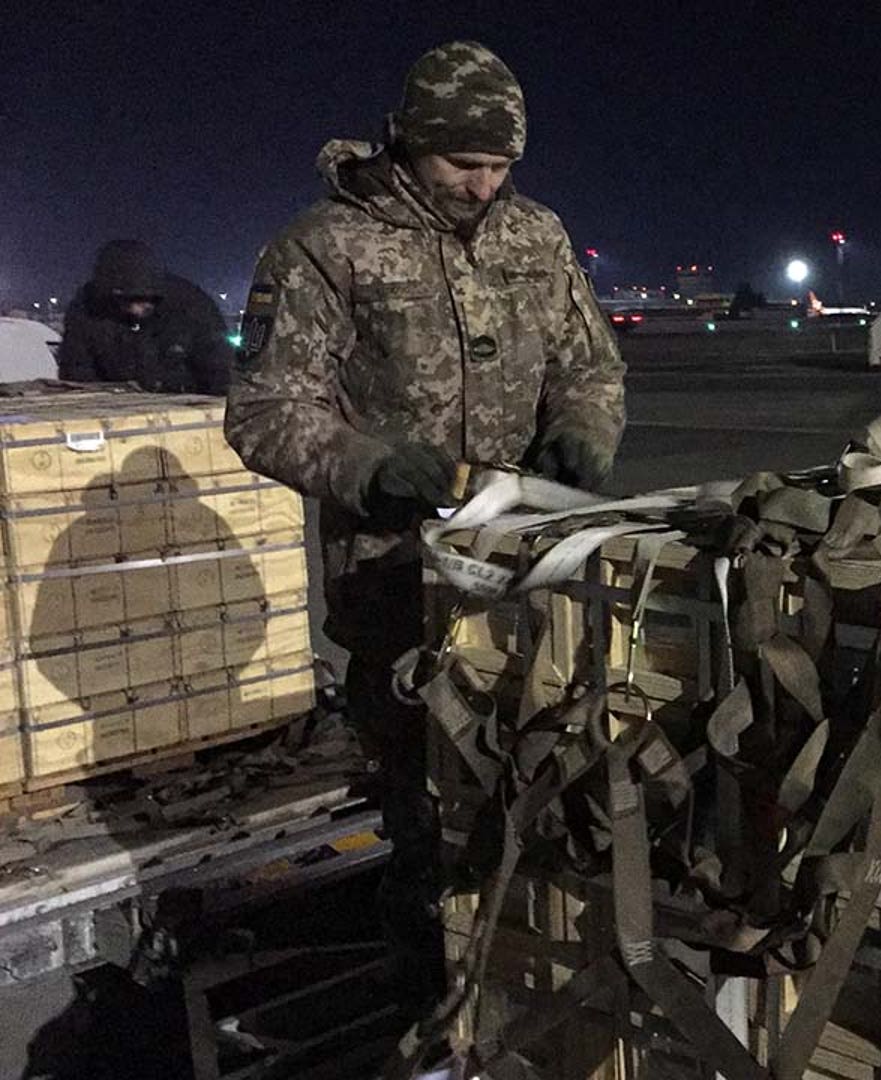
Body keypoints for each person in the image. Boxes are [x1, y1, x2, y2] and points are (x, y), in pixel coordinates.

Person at [224, 41, 626, 1015]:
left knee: (550, 808)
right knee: (429, 829)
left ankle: (536, 1017)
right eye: (462, 166)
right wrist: (369, 465)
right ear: (407, 143)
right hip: (396, 590)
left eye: (499, 168)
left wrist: (584, 428)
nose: (483, 186)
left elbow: (593, 365)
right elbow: (266, 411)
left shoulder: (534, 234)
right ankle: (433, 1021)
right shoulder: (328, 247)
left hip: (531, 578)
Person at [57, 240, 234, 394]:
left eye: (144, 299)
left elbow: (220, 371)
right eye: (126, 301)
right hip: (115, 407)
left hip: (184, 404)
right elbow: (76, 370)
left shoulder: (192, 307)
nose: (135, 309)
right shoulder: (87, 308)